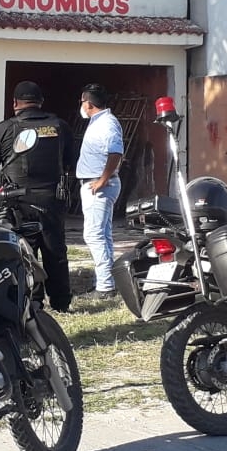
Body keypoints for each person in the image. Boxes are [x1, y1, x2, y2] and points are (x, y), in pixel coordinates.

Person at [0, 80, 75, 312]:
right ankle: (61, 302)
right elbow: (71, 161)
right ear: (40, 102)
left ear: (15, 103)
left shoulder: (5, 128)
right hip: (52, 198)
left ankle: (33, 300)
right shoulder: (60, 126)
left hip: (17, 199)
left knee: (23, 251)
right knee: (55, 250)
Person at [77, 83, 124, 299]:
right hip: (96, 183)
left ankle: (105, 287)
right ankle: (108, 280)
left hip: (99, 184)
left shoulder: (107, 123)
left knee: (94, 235)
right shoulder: (99, 122)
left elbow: (115, 153)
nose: (82, 106)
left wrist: (102, 180)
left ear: (89, 103)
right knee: (102, 235)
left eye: (83, 102)